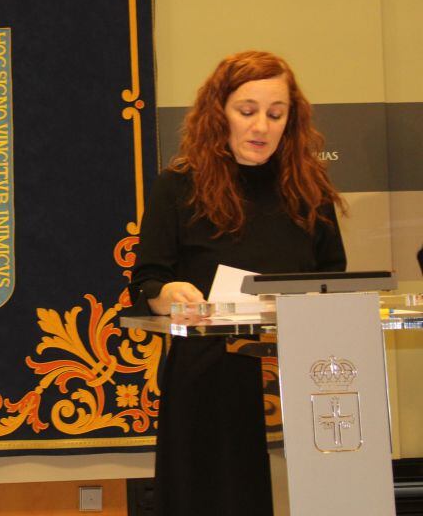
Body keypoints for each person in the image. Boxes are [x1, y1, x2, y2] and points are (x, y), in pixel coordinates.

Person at [128, 51, 345, 516]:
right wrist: (168, 296)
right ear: (218, 112)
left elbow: (334, 280)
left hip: (304, 373)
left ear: (292, 118)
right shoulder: (178, 187)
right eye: (246, 112)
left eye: (275, 113)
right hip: (210, 376)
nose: (261, 126)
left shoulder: (311, 189)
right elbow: (147, 280)